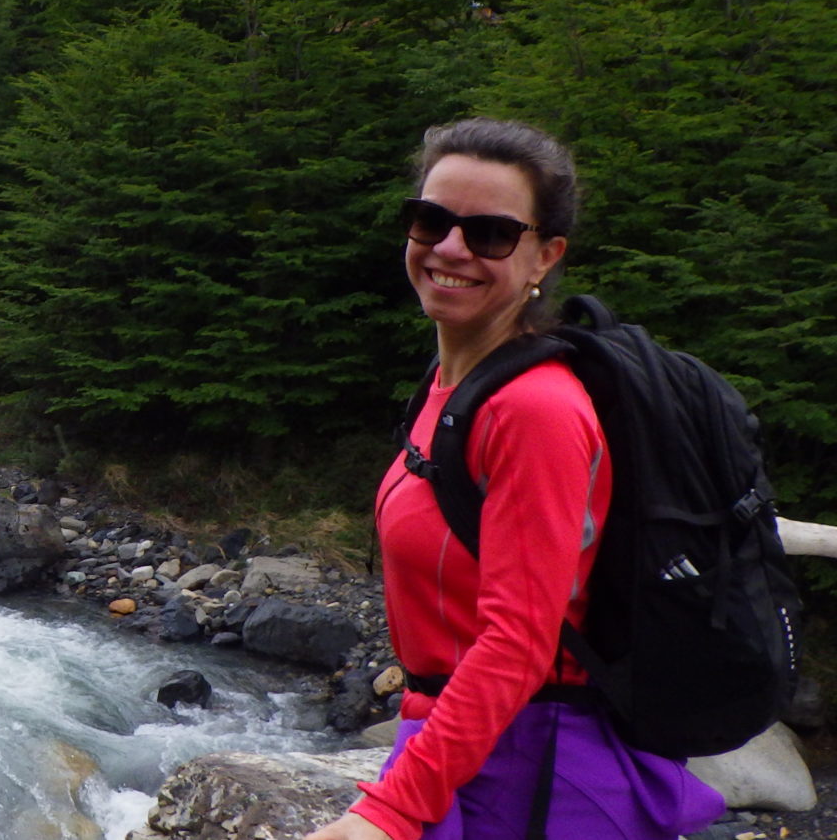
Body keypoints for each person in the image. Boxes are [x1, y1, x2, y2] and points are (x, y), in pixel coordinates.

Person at [305, 118, 725, 840]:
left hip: (529, 771)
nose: (449, 247)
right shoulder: (453, 382)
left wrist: (394, 808)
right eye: (429, 220)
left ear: (544, 256)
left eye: (490, 233)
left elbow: (517, 641)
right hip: (467, 743)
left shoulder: (535, 408)